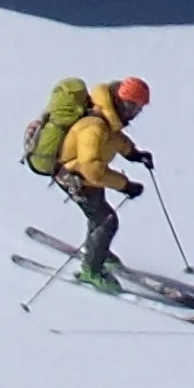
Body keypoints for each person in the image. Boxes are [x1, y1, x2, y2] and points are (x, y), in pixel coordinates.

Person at [54, 76, 154, 292]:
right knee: (106, 221)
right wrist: (124, 185)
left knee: (99, 215)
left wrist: (134, 154)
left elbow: (115, 138)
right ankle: (92, 269)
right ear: (120, 100)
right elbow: (91, 167)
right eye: (132, 106)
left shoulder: (108, 119)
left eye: (139, 108)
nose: (135, 112)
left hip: (85, 178)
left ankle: (97, 250)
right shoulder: (94, 126)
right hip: (75, 178)